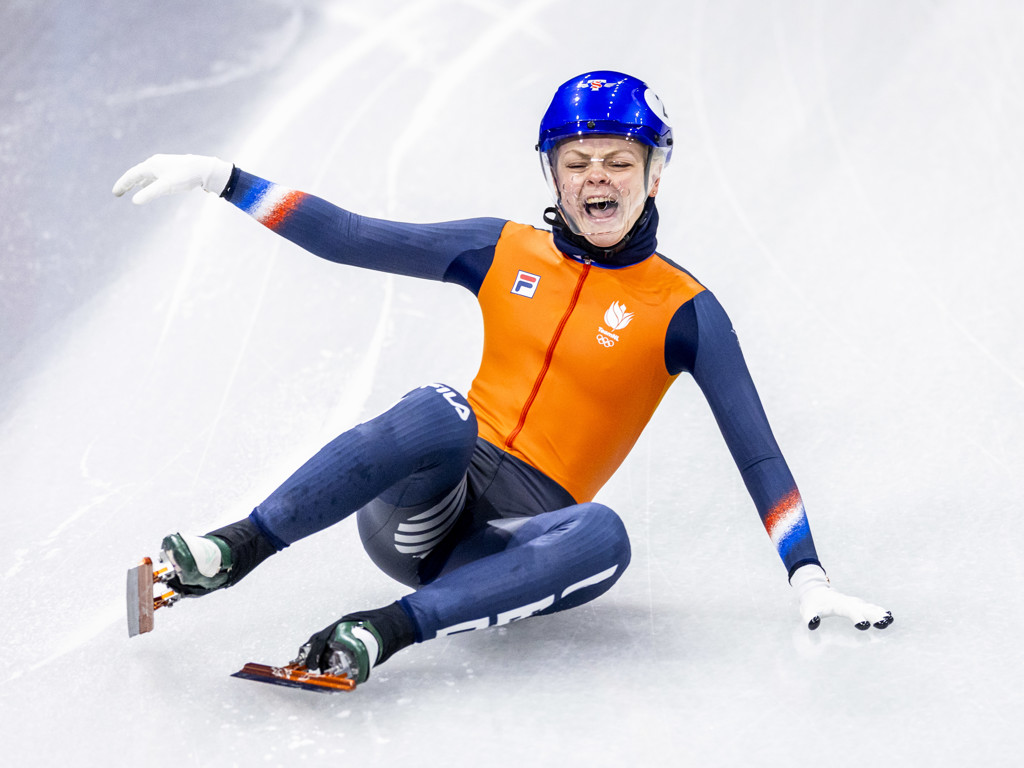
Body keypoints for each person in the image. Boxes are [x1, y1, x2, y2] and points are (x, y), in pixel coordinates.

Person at [113, 71, 892, 684]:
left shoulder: (687, 312)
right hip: (425, 502)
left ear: (654, 176)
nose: (598, 179)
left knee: (608, 533)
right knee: (441, 410)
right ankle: (232, 550)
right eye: (577, 162)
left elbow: (756, 453)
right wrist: (225, 179)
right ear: (552, 175)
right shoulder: (504, 249)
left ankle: (382, 631)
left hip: (510, 542)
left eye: (620, 162)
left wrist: (807, 576)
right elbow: (350, 236)